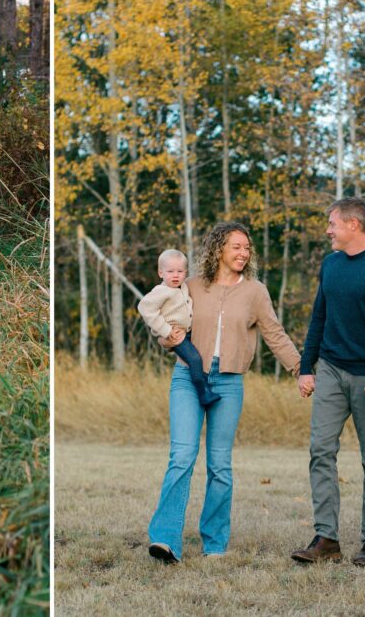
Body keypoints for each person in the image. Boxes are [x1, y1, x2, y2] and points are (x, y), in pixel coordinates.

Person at [147, 222, 300, 563]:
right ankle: (165, 540)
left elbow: (275, 333)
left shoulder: (256, 292)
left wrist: (299, 368)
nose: (244, 252)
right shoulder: (191, 285)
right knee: (182, 457)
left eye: (247, 247)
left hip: (229, 383)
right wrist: (165, 338)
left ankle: (214, 544)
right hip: (188, 378)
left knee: (220, 465)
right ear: (218, 249)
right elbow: (169, 323)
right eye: (237, 246)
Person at [291, 197, 365, 567]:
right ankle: (326, 537)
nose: (328, 230)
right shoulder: (331, 264)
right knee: (320, 450)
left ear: (353, 225)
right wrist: (306, 366)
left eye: (332, 223)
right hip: (330, 368)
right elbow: (318, 317)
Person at [137, 249, 213, 406]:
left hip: (188, 331)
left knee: (203, 355)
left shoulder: (183, 287)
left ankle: (205, 386)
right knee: (194, 359)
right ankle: (203, 393)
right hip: (176, 336)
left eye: (180, 271)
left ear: (185, 273)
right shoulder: (161, 291)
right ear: (160, 273)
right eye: (170, 271)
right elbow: (144, 308)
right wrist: (166, 330)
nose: (175, 275)